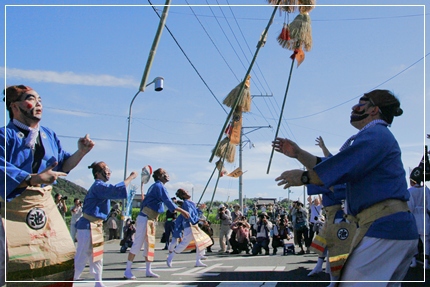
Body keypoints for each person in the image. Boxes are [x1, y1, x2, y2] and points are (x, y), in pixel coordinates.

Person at [274, 89, 419, 284]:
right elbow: (338, 171)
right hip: (391, 229)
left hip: (384, 229)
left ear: (374, 110)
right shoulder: (376, 137)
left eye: (361, 103)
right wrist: (299, 153)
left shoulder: (376, 135)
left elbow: (338, 169)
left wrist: (304, 177)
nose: (354, 107)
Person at [1, 85, 95, 284]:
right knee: (11, 261)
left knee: (62, 254)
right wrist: (32, 178)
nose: (38, 104)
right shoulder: (4, 136)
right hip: (11, 208)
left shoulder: (49, 135)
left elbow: (63, 165)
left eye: (40, 100)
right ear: (14, 107)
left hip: (44, 205)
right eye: (31, 99)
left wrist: (81, 152)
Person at [74, 161, 137, 287]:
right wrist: (130, 177)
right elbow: (115, 190)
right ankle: (73, 279)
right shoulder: (98, 186)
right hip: (87, 225)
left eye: (108, 168)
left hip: (95, 226)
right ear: (97, 174)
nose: (107, 170)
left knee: (97, 255)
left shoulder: (100, 186)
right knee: (82, 254)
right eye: (104, 168)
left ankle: (98, 281)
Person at [124, 168, 190, 279]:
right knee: (138, 244)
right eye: (164, 174)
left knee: (149, 244)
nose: (167, 175)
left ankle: (148, 270)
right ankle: (127, 270)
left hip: (150, 219)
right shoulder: (159, 186)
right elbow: (168, 201)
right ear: (159, 176)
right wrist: (182, 211)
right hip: (145, 217)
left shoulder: (157, 186)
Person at [167, 189, 211, 268]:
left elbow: (194, 213)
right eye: (186, 192)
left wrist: (200, 209)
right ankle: (171, 256)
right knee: (185, 243)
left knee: (201, 241)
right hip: (190, 225)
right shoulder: (187, 204)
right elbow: (190, 215)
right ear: (183, 195)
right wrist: (200, 220)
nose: (188, 192)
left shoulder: (190, 203)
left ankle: (198, 260)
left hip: (193, 225)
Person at [407, 163, 430, 269]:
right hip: (425, 217)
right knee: (426, 241)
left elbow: (409, 207)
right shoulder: (426, 190)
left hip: (414, 218)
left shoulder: (410, 192)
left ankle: (413, 261)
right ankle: (425, 263)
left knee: (413, 241)